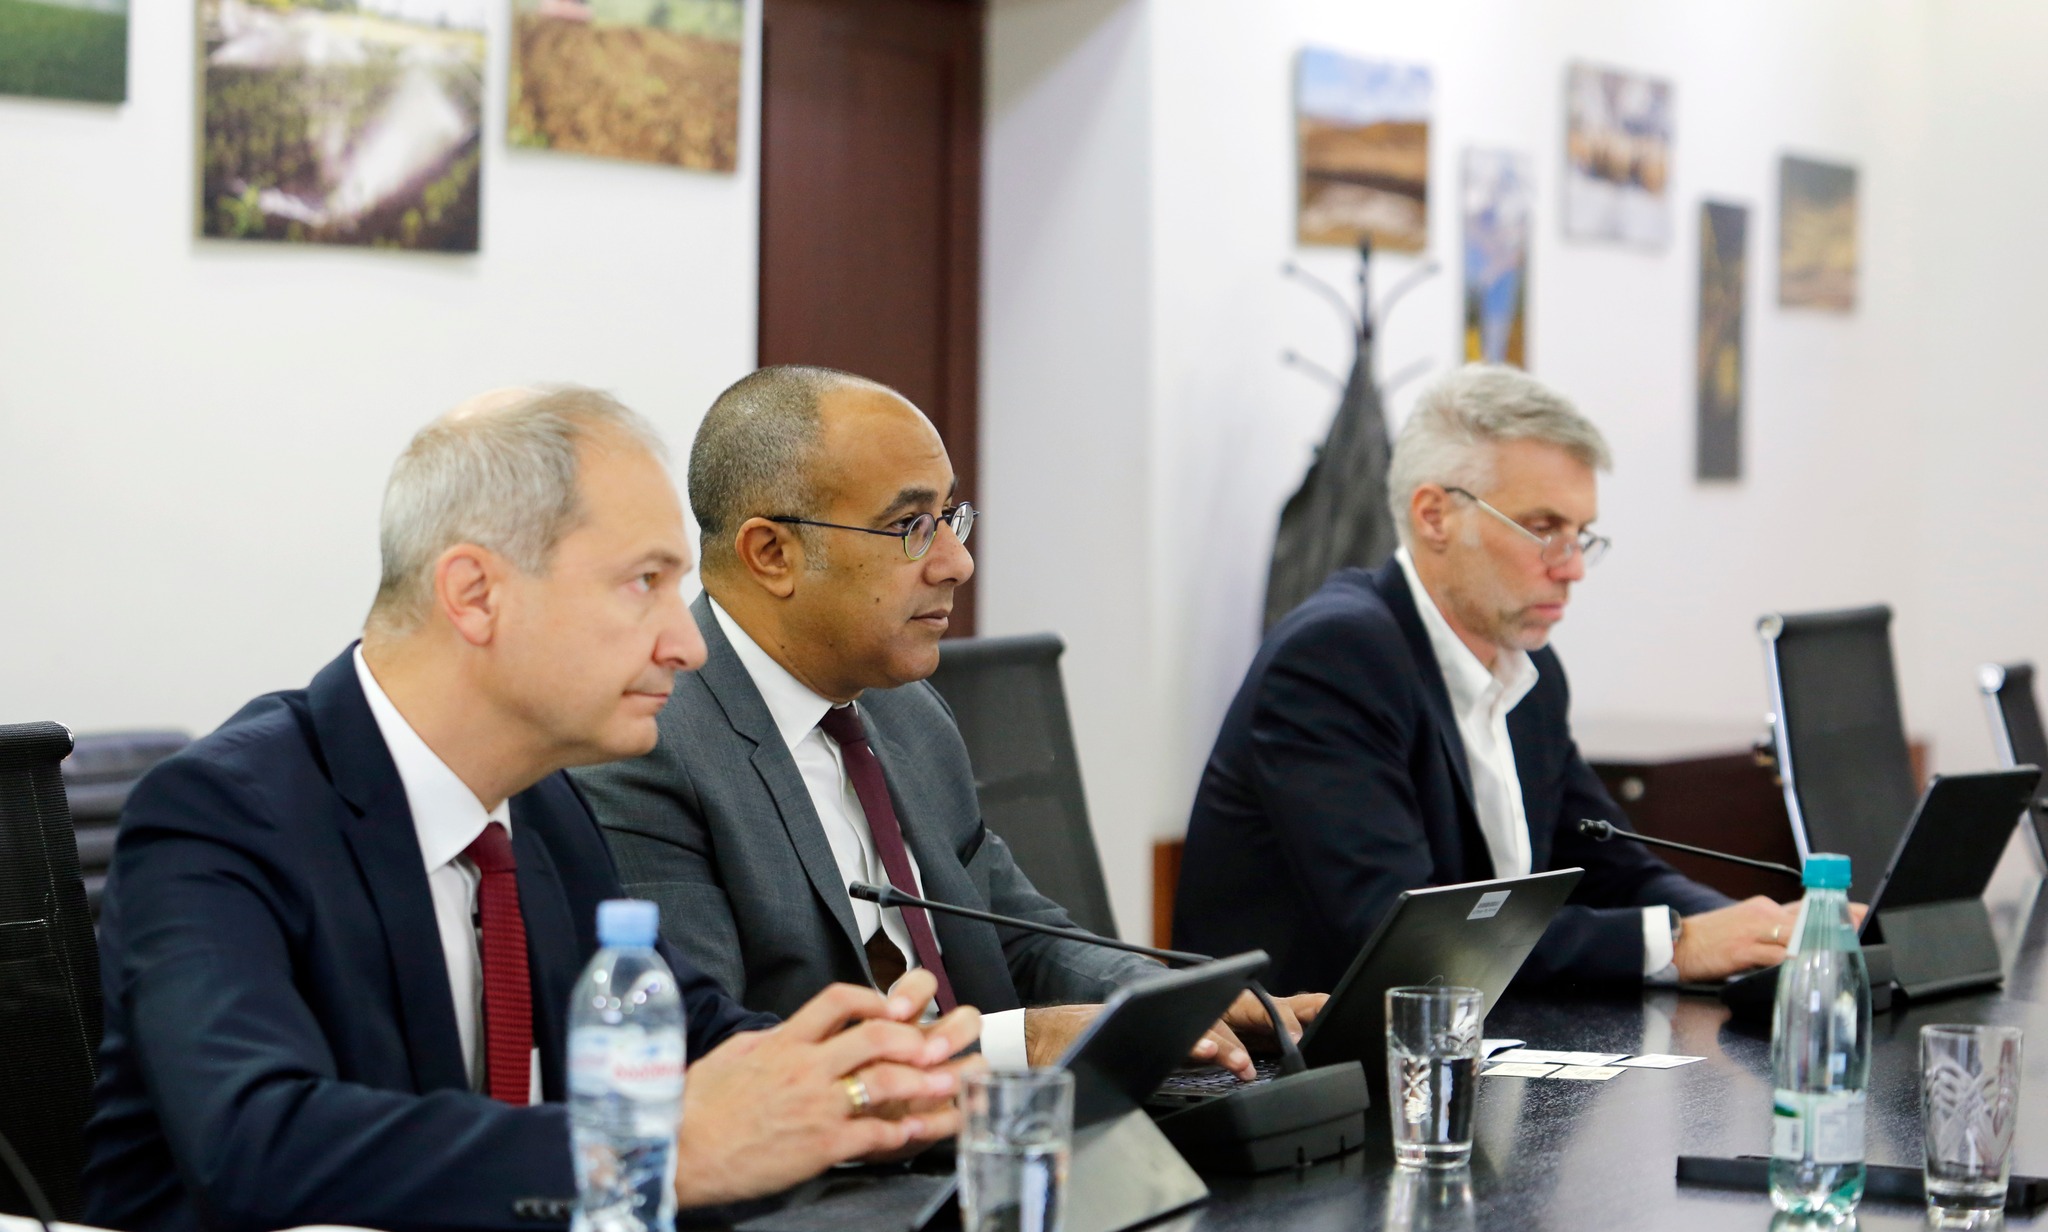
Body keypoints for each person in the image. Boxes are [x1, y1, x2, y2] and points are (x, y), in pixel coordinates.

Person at [84, 386, 979, 1232]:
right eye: (643, 583)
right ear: (475, 594)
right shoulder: (222, 811)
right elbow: (259, 1144)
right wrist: (653, 1151)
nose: (687, 644)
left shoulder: (540, 804)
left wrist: (863, 1080)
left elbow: (685, 1033)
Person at [577, 366, 1319, 1075]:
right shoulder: (648, 744)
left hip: (999, 1128)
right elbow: (708, 1055)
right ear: (773, 553)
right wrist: (1020, 1042)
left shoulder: (909, 715)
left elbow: (1018, 939)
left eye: (950, 519)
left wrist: (1168, 1001)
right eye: (910, 525)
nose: (957, 562)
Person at [1174, 364, 1811, 994]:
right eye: (1544, 529)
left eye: (1581, 535)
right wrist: (1676, 941)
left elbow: (1612, 868)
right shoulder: (1335, 659)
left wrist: (1764, 933)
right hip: (1298, 1049)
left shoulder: (1529, 669)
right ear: (1435, 516)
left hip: (1470, 1034)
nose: (1573, 569)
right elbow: (1408, 939)